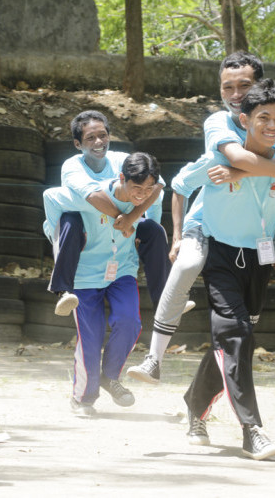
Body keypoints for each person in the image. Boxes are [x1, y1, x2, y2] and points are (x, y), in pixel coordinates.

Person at [127, 51, 275, 384]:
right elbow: (239, 159)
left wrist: (241, 171)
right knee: (184, 266)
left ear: (260, 87)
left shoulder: (274, 124)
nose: (235, 94)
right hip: (211, 227)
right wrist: (178, 235)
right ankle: (153, 358)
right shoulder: (217, 122)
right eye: (227, 87)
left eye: (244, 85)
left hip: (260, 232)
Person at [181, 79, 275, 460]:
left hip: (259, 260)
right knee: (236, 336)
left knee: (233, 338)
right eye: (263, 117)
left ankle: (194, 406)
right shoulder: (222, 156)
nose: (272, 125)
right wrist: (179, 236)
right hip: (220, 256)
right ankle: (252, 429)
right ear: (244, 120)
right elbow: (179, 184)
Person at [43, 152, 163, 417]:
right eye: (136, 188)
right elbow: (50, 196)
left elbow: (153, 208)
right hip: (85, 275)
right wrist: (57, 235)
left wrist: (136, 217)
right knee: (91, 337)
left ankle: (110, 377)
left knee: (130, 322)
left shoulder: (150, 197)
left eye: (148, 189)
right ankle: (83, 398)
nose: (141, 195)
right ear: (122, 178)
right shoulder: (92, 197)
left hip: (123, 271)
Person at [50, 111, 176, 317]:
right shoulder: (71, 166)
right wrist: (124, 219)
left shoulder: (122, 159)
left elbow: (157, 185)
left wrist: (132, 220)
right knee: (70, 221)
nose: (99, 141)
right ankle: (63, 290)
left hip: (120, 226)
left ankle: (166, 301)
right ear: (77, 144)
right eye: (90, 138)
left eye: (103, 135)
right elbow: (94, 197)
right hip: (84, 225)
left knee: (154, 230)